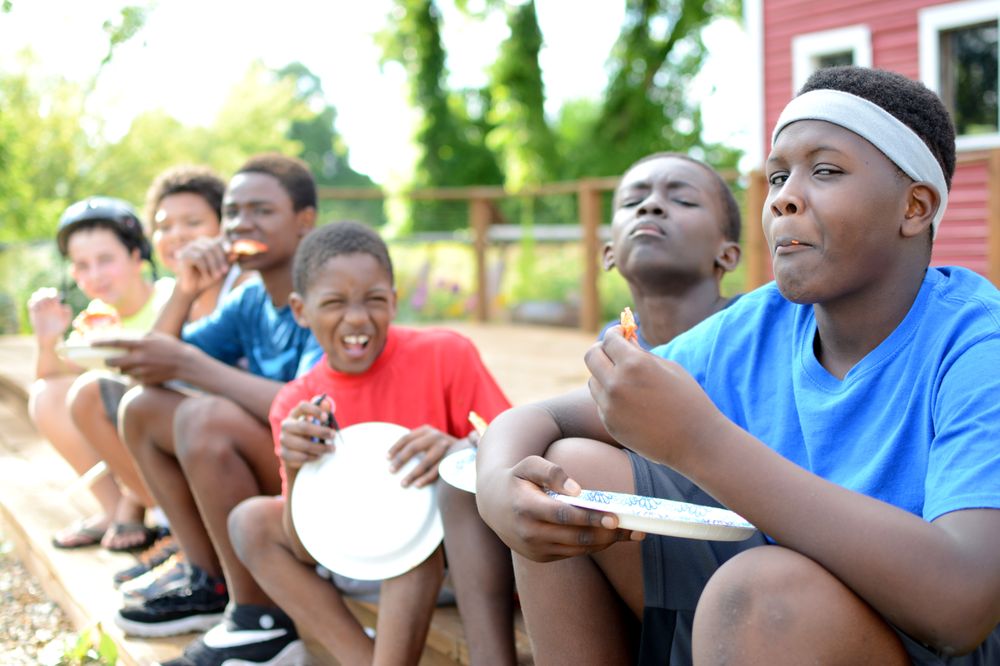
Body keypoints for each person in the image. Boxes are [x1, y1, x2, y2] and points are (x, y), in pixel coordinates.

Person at [476, 65, 1000, 665]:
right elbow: (545, 415)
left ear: (914, 207)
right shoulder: (759, 326)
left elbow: (961, 604)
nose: (783, 196)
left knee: (761, 593)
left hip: (918, 643)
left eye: (824, 171)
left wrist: (699, 441)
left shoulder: (976, 343)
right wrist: (497, 491)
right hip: (773, 624)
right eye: (778, 176)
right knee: (571, 476)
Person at [435, 151, 743, 665]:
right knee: (469, 477)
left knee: (564, 466)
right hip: (634, 547)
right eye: (633, 201)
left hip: (722, 555)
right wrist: (493, 470)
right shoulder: (613, 349)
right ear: (608, 253)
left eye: (681, 198)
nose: (652, 208)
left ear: (727, 255)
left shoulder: (745, 335)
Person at [221, 221, 511, 666]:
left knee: (404, 541)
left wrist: (458, 448)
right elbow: (302, 550)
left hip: (448, 561)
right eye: (334, 303)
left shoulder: (446, 354)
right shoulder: (297, 403)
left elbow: (510, 447)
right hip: (351, 560)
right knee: (248, 520)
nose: (356, 318)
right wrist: (295, 465)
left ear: (393, 301)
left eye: (373, 300)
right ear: (300, 310)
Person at [104, 154, 322, 649]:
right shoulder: (249, 301)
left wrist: (191, 367)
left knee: (206, 417)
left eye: (261, 211)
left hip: (318, 474)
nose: (241, 224)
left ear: (303, 220)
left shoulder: (325, 292)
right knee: (142, 406)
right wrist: (185, 292)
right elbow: (149, 362)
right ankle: (210, 579)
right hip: (272, 466)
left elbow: (310, 405)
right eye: (233, 212)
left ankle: (258, 614)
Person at [68, 166, 253, 555]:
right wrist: (186, 290)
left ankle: (189, 539)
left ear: (224, 227)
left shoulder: (242, 286)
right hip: (190, 425)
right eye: (165, 226)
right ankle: (175, 527)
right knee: (94, 395)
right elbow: (153, 365)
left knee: (133, 402)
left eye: (194, 222)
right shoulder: (185, 288)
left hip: (235, 437)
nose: (177, 235)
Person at [26, 196, 173, 551]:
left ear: (137, 257)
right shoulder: (96, 317)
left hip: (165, 429)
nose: (95, 275)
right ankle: (113, 506)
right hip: (121, 428)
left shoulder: (169, 300)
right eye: (83, 265)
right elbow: (51, 380)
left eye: (106, 260)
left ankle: (137, 504)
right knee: (47, 395)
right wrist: (47, 341)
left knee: (106, 392)